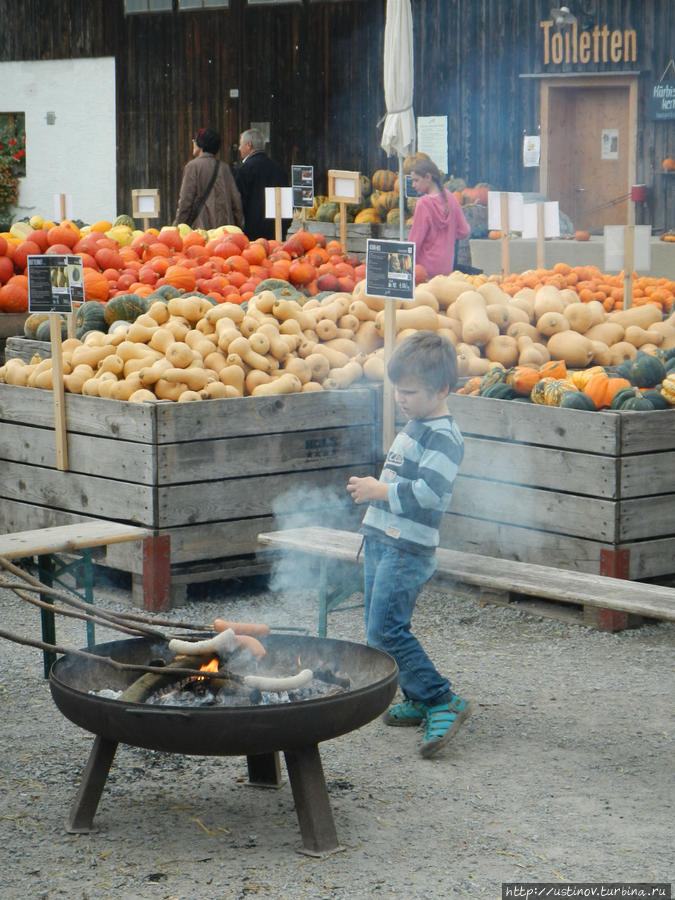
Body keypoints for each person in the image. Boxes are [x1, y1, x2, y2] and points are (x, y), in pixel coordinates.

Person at [346, 331, 470, 759]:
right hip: (383, 541)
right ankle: (417, 695)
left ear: (441, 390)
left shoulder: (444, 437)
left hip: (407, 549)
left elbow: (431, 493)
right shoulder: (418, 424)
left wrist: (377, 492)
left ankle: (440, 699)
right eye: (397, 389)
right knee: (377, 627)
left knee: (387, 630)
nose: (400, 398)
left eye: (410, 392)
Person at [408, 158, 470, 278]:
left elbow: (415, 241)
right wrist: (449, 234)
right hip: (446, 268)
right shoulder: (451, 198)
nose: (413, 185)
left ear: (428, 177)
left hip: (423, 270)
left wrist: (403, 268)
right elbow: (464, 232)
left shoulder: (423, 203)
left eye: (416, 180)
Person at [173, 128, 244, 231]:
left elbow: (185, 203)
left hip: (201, 231)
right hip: (225, 230)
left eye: (194, 140)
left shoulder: (192, 167)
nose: (193, 143)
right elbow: (236, 201)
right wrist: (238, 227)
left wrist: (177, 227)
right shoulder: (224, 168)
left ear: (200, 144)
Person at [235, 128, 289, 241]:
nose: (239, 149)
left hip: (251, 235)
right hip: (276, 232)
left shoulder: (243, 170)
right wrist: (283, 228)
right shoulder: (279, 169)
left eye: (240, 145)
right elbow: (287, 202)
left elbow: (238, 204)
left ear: (248, 145)